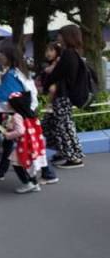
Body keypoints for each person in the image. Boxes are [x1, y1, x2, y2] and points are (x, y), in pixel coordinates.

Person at [0, 41, 58, 184]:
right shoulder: (19, 71)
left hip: (19, 115)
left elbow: (5, 96)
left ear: (9, 55)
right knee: (28, 144)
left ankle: (35, 179)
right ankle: (2, 170)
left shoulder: (12, 74)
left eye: (1, 54)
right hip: (28, 113)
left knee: (22, 147)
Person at [43, 25, 86, 169]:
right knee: (56, 125)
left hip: (62, 95)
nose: (58, 37)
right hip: (63, 95)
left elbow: (58, 74)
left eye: (60, 35)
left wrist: (48, 82)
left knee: (64, 127)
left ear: (68, 36)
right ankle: (65, 153)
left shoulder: (68, 54)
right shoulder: (73, 53)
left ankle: (74, 158)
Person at [0, 92, 49, 194]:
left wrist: (8, 135)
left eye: (9, 103)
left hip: (25, 145)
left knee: (16, 163)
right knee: (29, 164)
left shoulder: (17, 116)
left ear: (15, 104)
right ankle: (34, 183)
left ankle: (28, 183)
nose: (7, 104)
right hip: (34, 143)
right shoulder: (30, 112)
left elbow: (20, 131)